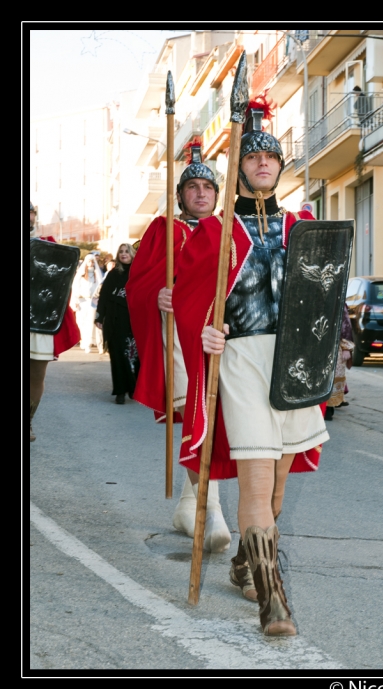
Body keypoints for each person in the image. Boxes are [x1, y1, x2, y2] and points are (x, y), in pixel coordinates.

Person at [172, 96, 330, 637]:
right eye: (253, 157)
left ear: (280, 167)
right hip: (241, 361)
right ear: (239, 166)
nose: (263, 163)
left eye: (272, 158)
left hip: (294, 365)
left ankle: (245, 561)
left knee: (280, 488)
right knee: (258, 484)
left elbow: (323, 295)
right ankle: (273, 602)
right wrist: (205, 329)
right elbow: (194, 302)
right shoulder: (216, 234)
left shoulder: (302, 227)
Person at [125, 141, 232, 555]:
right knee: (195, 414)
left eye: (208, 186)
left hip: (217, 337)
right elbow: (136, 285)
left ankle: (190, 505)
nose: (201, 192)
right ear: (182, 195)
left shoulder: (228, 232)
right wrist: (159, 294)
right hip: (177, 339)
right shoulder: (163, 230)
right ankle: (211, 510)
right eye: (193, 187)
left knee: (216, 419)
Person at [29, 201, 81, 441]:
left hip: (39, 323)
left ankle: (26, 421)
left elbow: (62, 286)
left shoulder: (49, 246)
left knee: (35, 376)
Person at [95, 244, 139, 404]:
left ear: (133, 254)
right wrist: (99, 317)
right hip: (115, 320)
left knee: (133, 356)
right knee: (118, 354)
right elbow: (104, 296)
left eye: (127, 251)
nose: (124, 254)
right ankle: (120, 390)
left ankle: (134, 388)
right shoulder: (113, 274)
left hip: (135, 321)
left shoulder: (140, 273)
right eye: (121, 251)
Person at [324, 303, 354, 420]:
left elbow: (345, 324)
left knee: (332, 376)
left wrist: (346, 347)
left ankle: (328, 410)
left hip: (333, 346)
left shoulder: (338, 300)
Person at [71, 254, 104, 353]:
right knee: (81, 322)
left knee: (90, 323)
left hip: (92, 302)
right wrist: (75, 301)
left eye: (93, 261)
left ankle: (88, 343)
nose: (91, 263)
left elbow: (100, 287)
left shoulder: (96, 275)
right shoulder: (80, 275)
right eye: (89, 261)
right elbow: (75, 288)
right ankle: (83, 341)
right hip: (82, 302)